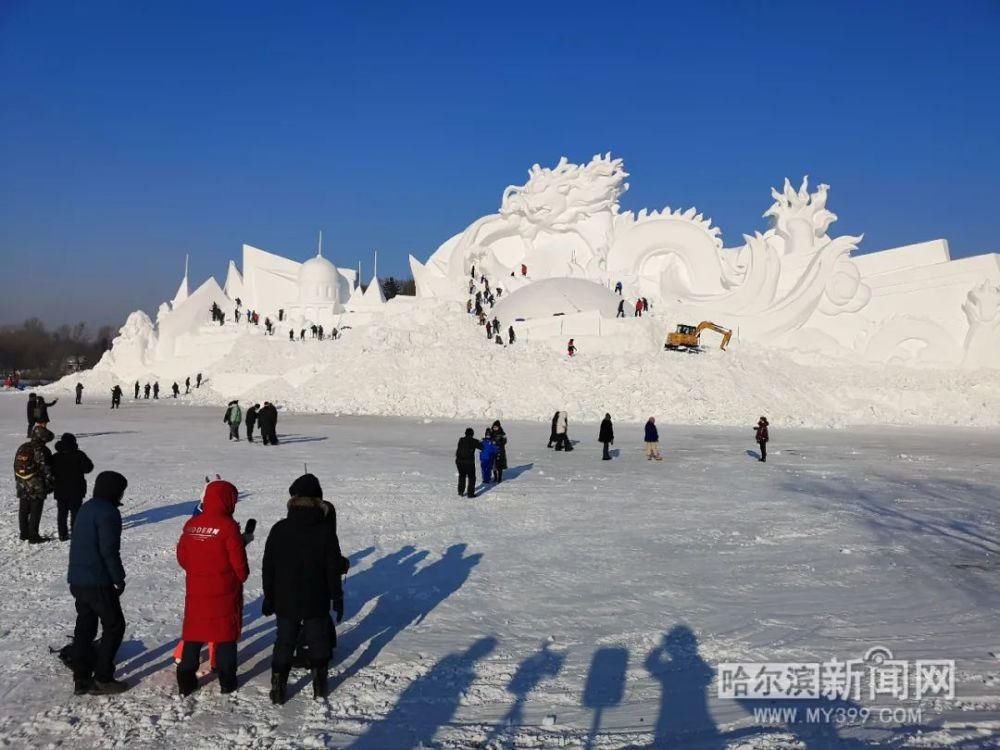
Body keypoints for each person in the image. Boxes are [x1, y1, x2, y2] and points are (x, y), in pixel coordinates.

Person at [263, 474, 345, 704]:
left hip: (285, 597)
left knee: (285, 640)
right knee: (318, 640)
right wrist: (336, 596)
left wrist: (269, 597)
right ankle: (320, 685)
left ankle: (278, 687)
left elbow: (268, 567)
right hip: (315, 597)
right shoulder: (325, 531)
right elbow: (332, 568)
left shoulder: (279, 528)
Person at [175, 480, 250, 696]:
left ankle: (186, 681)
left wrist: (199, 570)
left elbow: (183, 557)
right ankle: (227, 682)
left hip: (197, 590)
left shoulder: (191, 524)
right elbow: (240, 569)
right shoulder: (229, 527)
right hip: (224, 592)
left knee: (194, 633)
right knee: (225, 636)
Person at [67, 471, 129, 695]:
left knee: (86, 625)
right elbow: (109, 551)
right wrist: (118, 578)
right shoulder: (108, 513)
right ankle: (103, 677)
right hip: (97, 580)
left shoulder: (86, 507)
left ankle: (81, 677)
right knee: (114, 626)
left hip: (78, 579)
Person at [14, 422, 55, 542]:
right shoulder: (42, 449)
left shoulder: (23, 447)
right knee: (35, 510)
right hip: (37, 485)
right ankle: (33, 536)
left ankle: (24, 534)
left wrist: (19, 480)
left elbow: (15, 465)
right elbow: (46, 468)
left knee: (23, 509)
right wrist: (49, 483)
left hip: (22, 482)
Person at [51, 433, 94, 541]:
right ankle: (75, 532)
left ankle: (62, 534)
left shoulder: (55, 456)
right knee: (75, 511)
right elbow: (88, 468)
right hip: (76, 488)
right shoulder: (79, 454)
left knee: (62, 512)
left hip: (60, 488)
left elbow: (50, 471)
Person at [455, 428, 482, 498]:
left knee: (462, 476)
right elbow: (482, 447)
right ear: (472, 434)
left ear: (465, 433)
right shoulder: (473, 441)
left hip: (459, 462)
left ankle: (460, 491)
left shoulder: (461, 440)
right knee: (472, 477)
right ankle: (470, 494)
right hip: (469, 462)